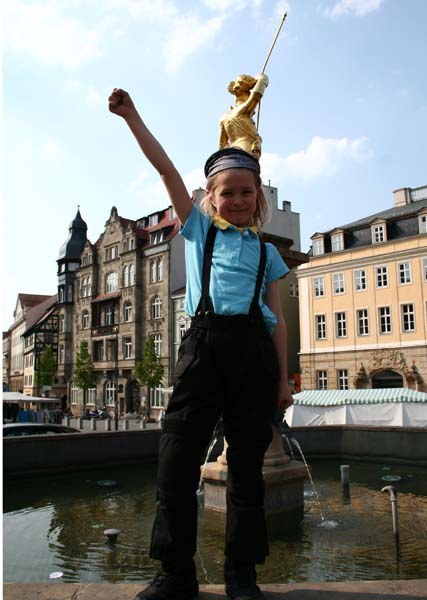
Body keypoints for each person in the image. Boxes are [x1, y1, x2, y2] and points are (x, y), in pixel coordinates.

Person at [108, 88, 293, 600]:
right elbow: (166, 169)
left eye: (245, 192)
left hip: (253, 353)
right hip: (203, 347)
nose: (236, 200)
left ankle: (241, 575)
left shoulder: (266, 253)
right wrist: (132, 115)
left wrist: (282, 379)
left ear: (259, 199)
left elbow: (276, 320)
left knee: (248, 473)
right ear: (209, 197)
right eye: (226, 192)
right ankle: (176, 574)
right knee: (176, 459)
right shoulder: (196, 230)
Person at [219, 73, 268, 159]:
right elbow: (255, 96)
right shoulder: (241, 112)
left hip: (231, 152)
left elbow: (222, 145)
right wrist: (263, 80)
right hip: (246, 147)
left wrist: (223, 159)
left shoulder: (225, 117)